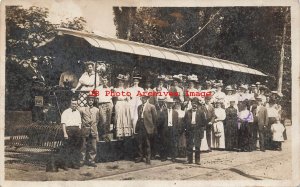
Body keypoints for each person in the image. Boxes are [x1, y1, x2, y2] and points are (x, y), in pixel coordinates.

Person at [78, 96, 100, 167]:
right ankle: (82, 160)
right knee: (83, 146)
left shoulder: (96, 110)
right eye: (89, 100)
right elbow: (80, 119)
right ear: (87, 101)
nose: (91, 101)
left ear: (93, 101)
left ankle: (91, 160)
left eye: (92, 100)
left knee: (93, 146)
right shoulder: (82, 109)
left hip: (93, 130)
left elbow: (97, 120)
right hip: (85, 130)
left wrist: (94, 127)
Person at [135, 95, 157, 165]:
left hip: (148, 127)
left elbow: (155, 118)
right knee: (140, 143)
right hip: (140, 126)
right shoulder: (139, 107)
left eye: (145, 98)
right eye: (142, 98)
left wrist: (153, 128)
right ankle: (140, 156)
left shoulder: (151, 106)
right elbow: (138, 117)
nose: (143, 99)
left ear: (147, 99)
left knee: (147, 143)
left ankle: (148, 158)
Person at [61, 98, 82, 169]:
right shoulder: (65, 112)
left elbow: (79, 123)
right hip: (69, 131)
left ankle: (74, 164)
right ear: (70, 104)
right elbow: (63, 124)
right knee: (68, 148)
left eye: (75, 104)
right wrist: (65, 133)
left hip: (77, 131)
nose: (74, 105)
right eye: (73, 104)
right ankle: (65, 165)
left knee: (75, 148)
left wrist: (79, 130)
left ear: (77, 104)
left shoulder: (78, 112)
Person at [184, 97, 206, 165]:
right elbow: (184, 121)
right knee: (189, 146)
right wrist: (186, 129)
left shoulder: (201, 112)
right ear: (191, 104)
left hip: (197, 130)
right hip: (190, 130)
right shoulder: (187, 112)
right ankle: (189, 160)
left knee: (197, 146)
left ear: (197, 104)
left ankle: (197, 160)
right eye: (193, 103)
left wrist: (201, 130)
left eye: (195, 103)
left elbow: (204, 123)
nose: (194, 105)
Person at [159, 98, 179, 162]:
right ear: (166, 104)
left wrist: (176, 130)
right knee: (164, 143)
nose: (170, 105)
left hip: (173, 129)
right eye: (168, 103)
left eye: (171, 103)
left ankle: (173, 157)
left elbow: (177, 122)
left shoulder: (175, 113)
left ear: (173, 104)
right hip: (165, 129)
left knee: (173, 143)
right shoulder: (163, 112)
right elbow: (160, 122)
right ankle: (164, 156)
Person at [113, 74, 133, 138]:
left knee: (125, 117)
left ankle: (126, 133)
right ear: (118, 82)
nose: (120, 83)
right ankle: (119, 133)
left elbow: (128, 99)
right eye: (119, 82)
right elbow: (114, 98)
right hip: (119, 103)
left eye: (122, 82)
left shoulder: (126, 90)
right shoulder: (115, 89)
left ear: (124, 83)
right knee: (118, 117)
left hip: (125, 104)